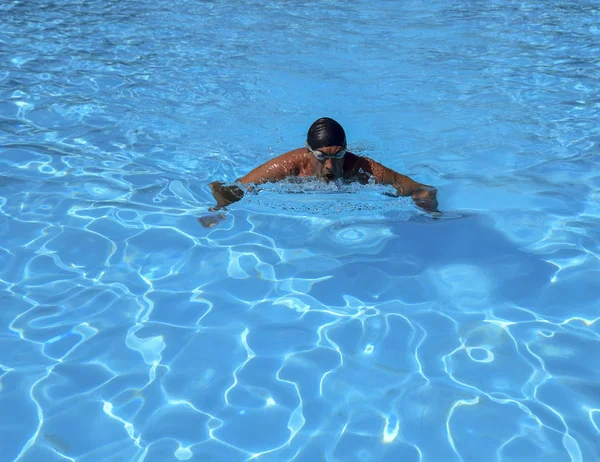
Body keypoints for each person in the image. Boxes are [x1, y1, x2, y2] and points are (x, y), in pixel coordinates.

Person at [208, 117, 438, 214]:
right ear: (307, 151)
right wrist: (219, 210)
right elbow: (237, 188)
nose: (330, 165)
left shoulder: (361, 168)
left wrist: (429, 210)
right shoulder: (289, 165)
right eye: (320, 156)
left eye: (339, 156)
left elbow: (420, 188)